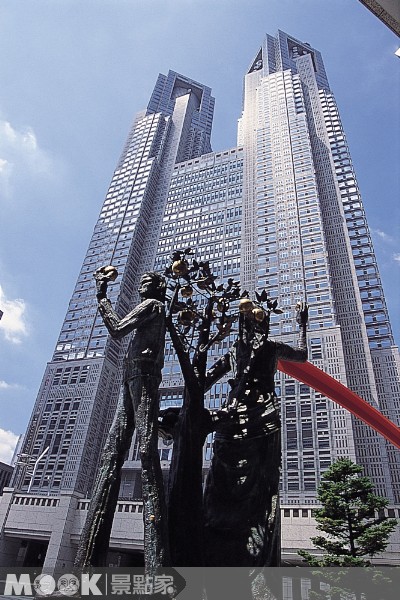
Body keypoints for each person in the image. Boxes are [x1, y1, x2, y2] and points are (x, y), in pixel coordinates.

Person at [74, 268, 170, 574]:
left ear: (156, 288)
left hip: (141, 372)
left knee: (144, 447)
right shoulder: (155, 307)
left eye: (147, 283)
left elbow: (117, 329)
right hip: (132, 373)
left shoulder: (152, 305)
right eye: (142, 283)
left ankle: (157, 570)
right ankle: (86, 566)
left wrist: (102, 296)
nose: (142, 287)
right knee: (113, 451)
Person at [203, 301, 308, 567]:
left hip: (247, 419)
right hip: (252, 419)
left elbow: (204, 380)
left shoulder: (244, 349)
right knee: (246, 480)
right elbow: (302, 354)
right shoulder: (261, 348)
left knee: (242, 479)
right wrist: (302, 324)